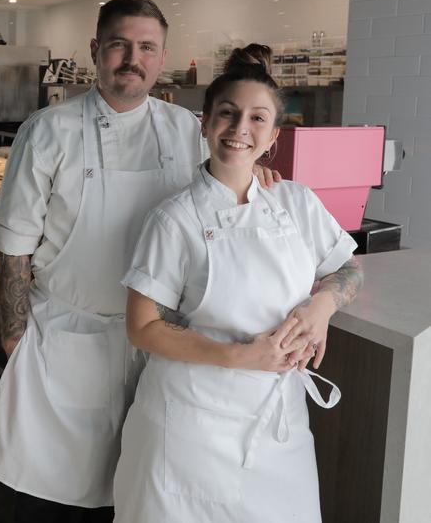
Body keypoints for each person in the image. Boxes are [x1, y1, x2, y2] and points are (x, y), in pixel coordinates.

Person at [0, 0, 278, 522]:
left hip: (163, 341)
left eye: (146, 47)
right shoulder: (48, 130)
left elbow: (229, 183)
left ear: (162, 58)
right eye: (118, 44)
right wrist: (13, 333)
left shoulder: (189, 129)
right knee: (57, 490)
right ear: (96, 51)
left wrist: (260, 177)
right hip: (69, 335)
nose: (130, 58)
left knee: (144, 489)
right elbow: (14, 246)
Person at [112, 45, 363, 523]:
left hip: (277, 423)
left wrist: (323, 307)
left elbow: (349, 269)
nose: (240, 129)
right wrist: (240, 356)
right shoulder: (174, 218)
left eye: (257, 118)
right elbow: (141, 327)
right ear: (204, 123)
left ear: (273, 135)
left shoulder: (296, 201)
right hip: (189, 423)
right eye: (227, 114)